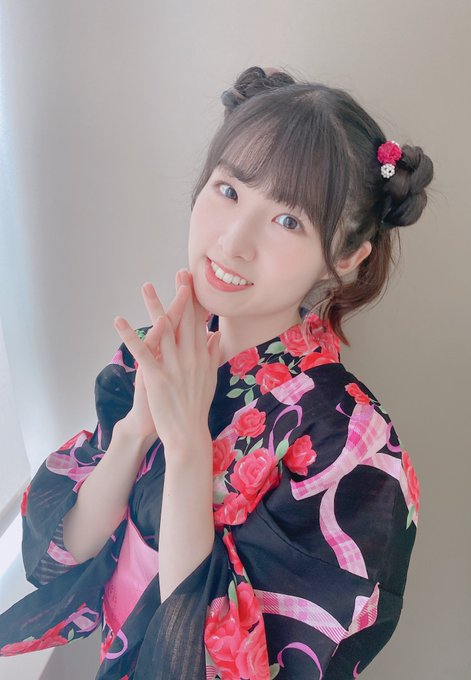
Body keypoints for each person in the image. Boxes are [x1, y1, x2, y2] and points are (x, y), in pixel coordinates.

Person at [0, 65, 432, 679]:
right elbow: (63, 554)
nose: (233, 241)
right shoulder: (161, 353)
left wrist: (186, 452)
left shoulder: (353, 444)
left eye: (288, 221)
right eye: (228, 190)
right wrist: (135, 433)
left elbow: (229, 666)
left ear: (344, 257)